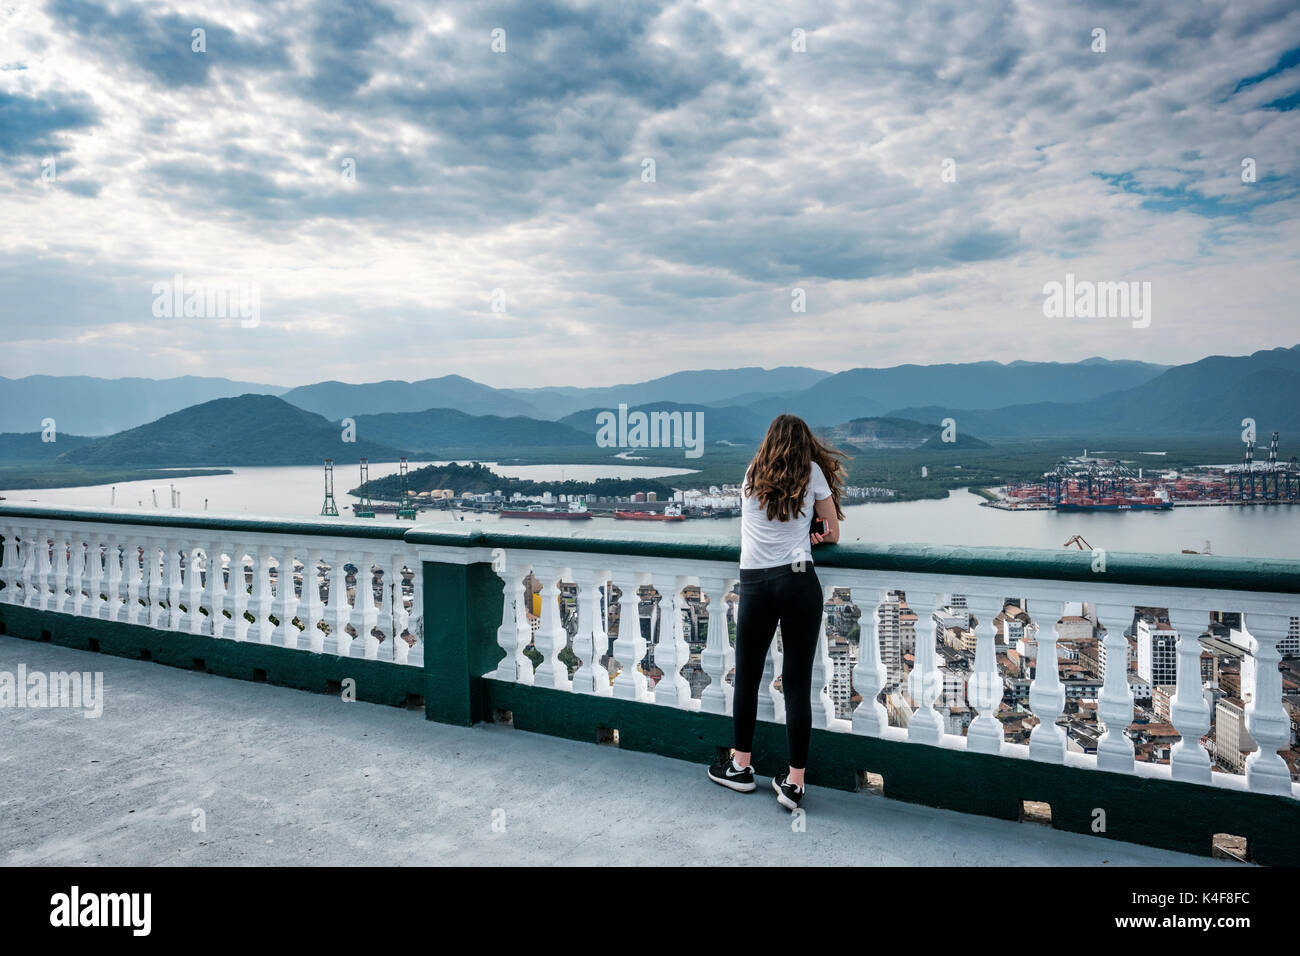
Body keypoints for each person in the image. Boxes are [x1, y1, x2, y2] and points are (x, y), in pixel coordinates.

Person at [708, 414, 846, 811]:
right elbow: (833, 532)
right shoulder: (812, 471)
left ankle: (740, 767)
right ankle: (794, 784)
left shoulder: (752, 473)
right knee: (797, 683)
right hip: (798, 580)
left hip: (755, 584)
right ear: (806, 444)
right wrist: (812, 534)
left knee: (748, 678)